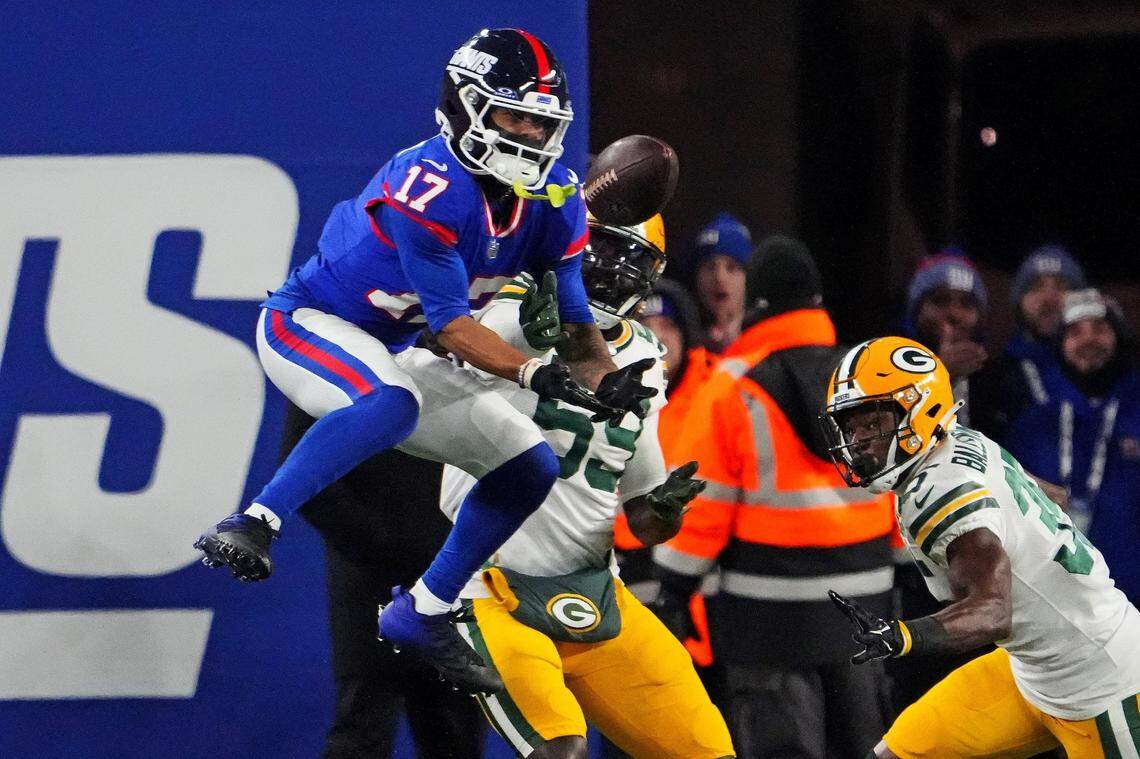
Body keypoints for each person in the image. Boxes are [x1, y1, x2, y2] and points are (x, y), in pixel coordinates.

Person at [193, 28, 653, 694]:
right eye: (514, 117)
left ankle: (426, 608)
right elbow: (455, 329)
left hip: (396, 347)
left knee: (530, 465)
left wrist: (610, 383)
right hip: (309, 324)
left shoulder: (554, 197)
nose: (530, 135)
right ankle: (255, 521)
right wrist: (532, 371)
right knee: (391, 403)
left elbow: (580, 328)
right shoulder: (432, 186)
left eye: (540, 121)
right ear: (466, 108)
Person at [439, 213, 735, 759]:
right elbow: (444, 347)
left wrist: (665, 510)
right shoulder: (509, 305)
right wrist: (521, 338)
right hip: (490, 588)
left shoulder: (643, 354)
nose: (611, 268)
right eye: (601, 247)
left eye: (630, 257)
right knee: (561, 750)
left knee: (707, 751)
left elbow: (642, 515)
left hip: (597, 589)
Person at [821, 336, 1140, 757]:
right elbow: (1054, 497)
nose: (858, 441)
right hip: (1031, 671)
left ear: (920, 411)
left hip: (1102, 687)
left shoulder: (941, 493)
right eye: (851, 426)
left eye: (872, 423)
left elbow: (993, 612)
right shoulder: (957, 440)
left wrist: (905, 636)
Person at [654, 235, 896, 758]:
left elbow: (701, 501)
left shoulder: (732, 386)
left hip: (767, 619)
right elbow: (902, 486)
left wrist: (673, 585)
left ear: (756, 301)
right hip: (867, 608)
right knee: (868, 748)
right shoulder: (868, 378)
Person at [282, 416, 484, 758]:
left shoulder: (480, 379)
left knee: (455, 732)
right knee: (363, 727)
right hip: (370, 576)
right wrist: (380, 545)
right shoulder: (331, 380)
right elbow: (302, 469)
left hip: (454, 575)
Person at [1004, 289, 1140, 604]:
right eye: (1075, 332)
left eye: (1100, 329)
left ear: (1119, 338)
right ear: (1060, 345)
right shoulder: (1032, 425)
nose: (1088, 340)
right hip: (1054, 604)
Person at [692, 212, 753, 353]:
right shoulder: (684, 343)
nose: (719, 278)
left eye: (731, 268)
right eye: (710, 267)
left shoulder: (766, 335)